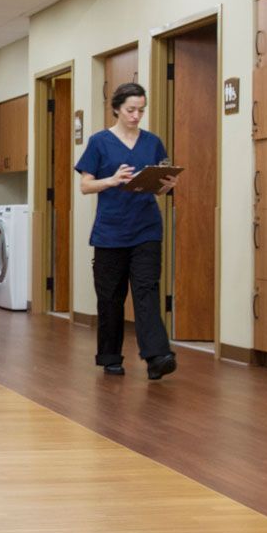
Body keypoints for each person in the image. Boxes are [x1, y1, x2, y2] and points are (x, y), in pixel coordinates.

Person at [75, 82, 179, 380]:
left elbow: (160, 182)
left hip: (146, 228)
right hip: (110, 231)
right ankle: (110, 356)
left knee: (146, 291)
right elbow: (85, 185)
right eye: (131, 110)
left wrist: (166, 185)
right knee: (111, 296)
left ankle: (157, 356)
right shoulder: (99, 142)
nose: (136, 116)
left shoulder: (153, 142)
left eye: (141, 110)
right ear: (117, 108)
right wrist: (111, 180)